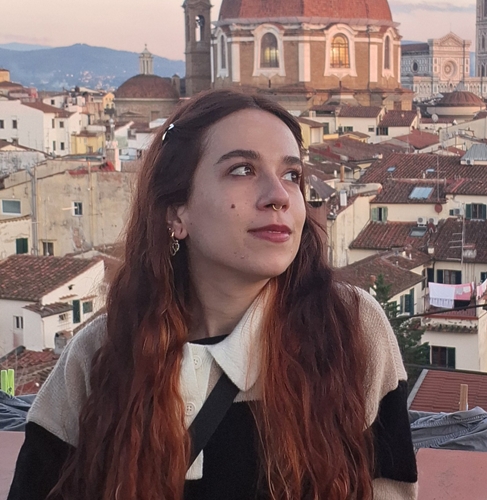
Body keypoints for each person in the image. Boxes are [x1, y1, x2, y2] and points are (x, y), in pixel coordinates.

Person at [8, 89, 417, 500]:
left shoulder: (350, 329)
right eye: (242, 170)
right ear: (176, 213)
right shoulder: (101, 354)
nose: (279, 196)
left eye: (292, 175)